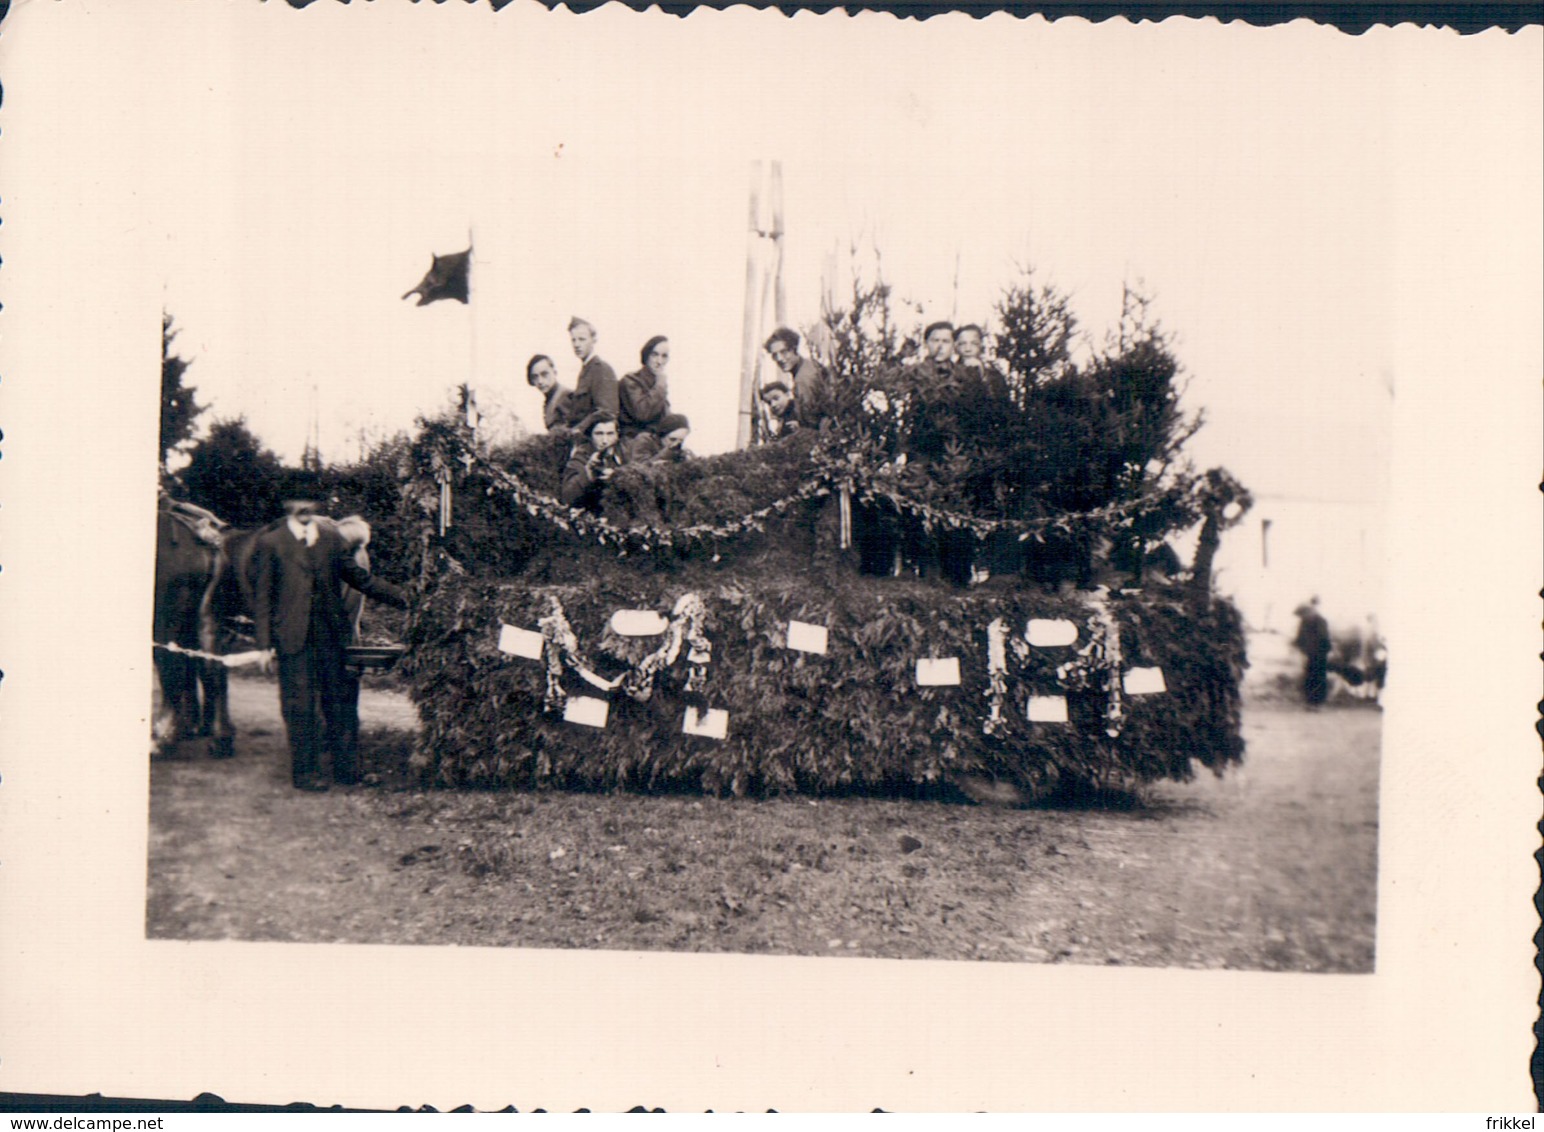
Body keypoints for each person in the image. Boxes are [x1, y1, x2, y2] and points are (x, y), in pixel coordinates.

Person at [253, 496, 409, 791]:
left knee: (341, 703)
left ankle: (347, 771)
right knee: (300, 706)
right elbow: (264, 597)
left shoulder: (331, 540)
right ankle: (305, 774)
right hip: (293, 638)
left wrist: (405, 598)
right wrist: (264, 644)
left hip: (330, 635)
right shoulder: (271, 543)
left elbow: (360, 579)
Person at [619, 335, 691, 461]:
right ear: (646, 356)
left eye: (664, 356)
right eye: (655, 355)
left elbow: (666, 421)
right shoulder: (631, 381)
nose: (659, 361)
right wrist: (661, 383)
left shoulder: (658, 385)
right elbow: (643, 413)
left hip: (656, 446)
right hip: (634, 446)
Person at [763, 327, 834, 431]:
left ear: (794, 348)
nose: (779, 359)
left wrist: (800, 428)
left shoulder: (803, 378)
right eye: (774, 355)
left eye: (784, 352)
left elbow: (811, 420)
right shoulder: (809, 365)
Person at [560, 413, 629, 511]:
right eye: (599, 434)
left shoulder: (624, 454)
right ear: (590, 436)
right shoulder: (580, 457)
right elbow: (567, 497)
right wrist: (587, 474)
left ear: (617, 435)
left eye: (610, 434)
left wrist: (617, 477)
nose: (605, 441)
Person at [566, 317, 620, 431]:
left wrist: (578, 429)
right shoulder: (585, 370)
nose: (576, 344)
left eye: (582, 339)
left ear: (594, 340)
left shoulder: (601, 369)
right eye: (573, 340)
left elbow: (607, 412)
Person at [1292, 596, 1332, 709]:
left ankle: (1313, 703)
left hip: (1314, 654)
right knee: (1315, 677)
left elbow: (1301, 637)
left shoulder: (1312, 619)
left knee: (1313, 677)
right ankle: (1314, 703)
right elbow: (1323, 637)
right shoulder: (1315, 620)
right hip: (1315, 654)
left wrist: (1300, 648)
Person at [525, 354, 575, 432]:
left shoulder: (566, 396)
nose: (540, 381)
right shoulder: (550, 400)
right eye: (535, 377)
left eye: (544, 374)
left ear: (554, 372)